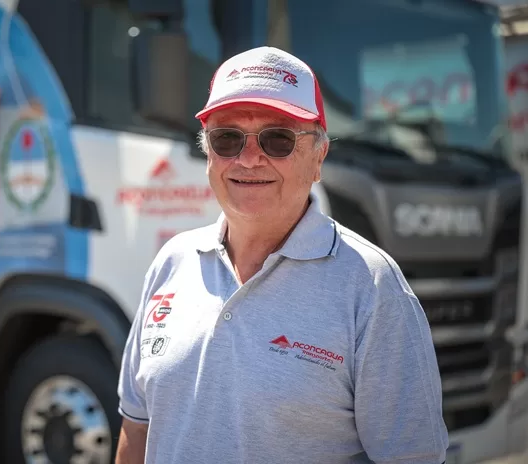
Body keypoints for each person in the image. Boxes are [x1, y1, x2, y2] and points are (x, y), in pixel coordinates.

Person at [115, 46, 449, 464]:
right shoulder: (172, 262)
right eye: (227, 138)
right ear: (208, 153)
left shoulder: (372, 285)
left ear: (318, 157)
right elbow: (137, 427)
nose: (249, 159)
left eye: (278, 139)